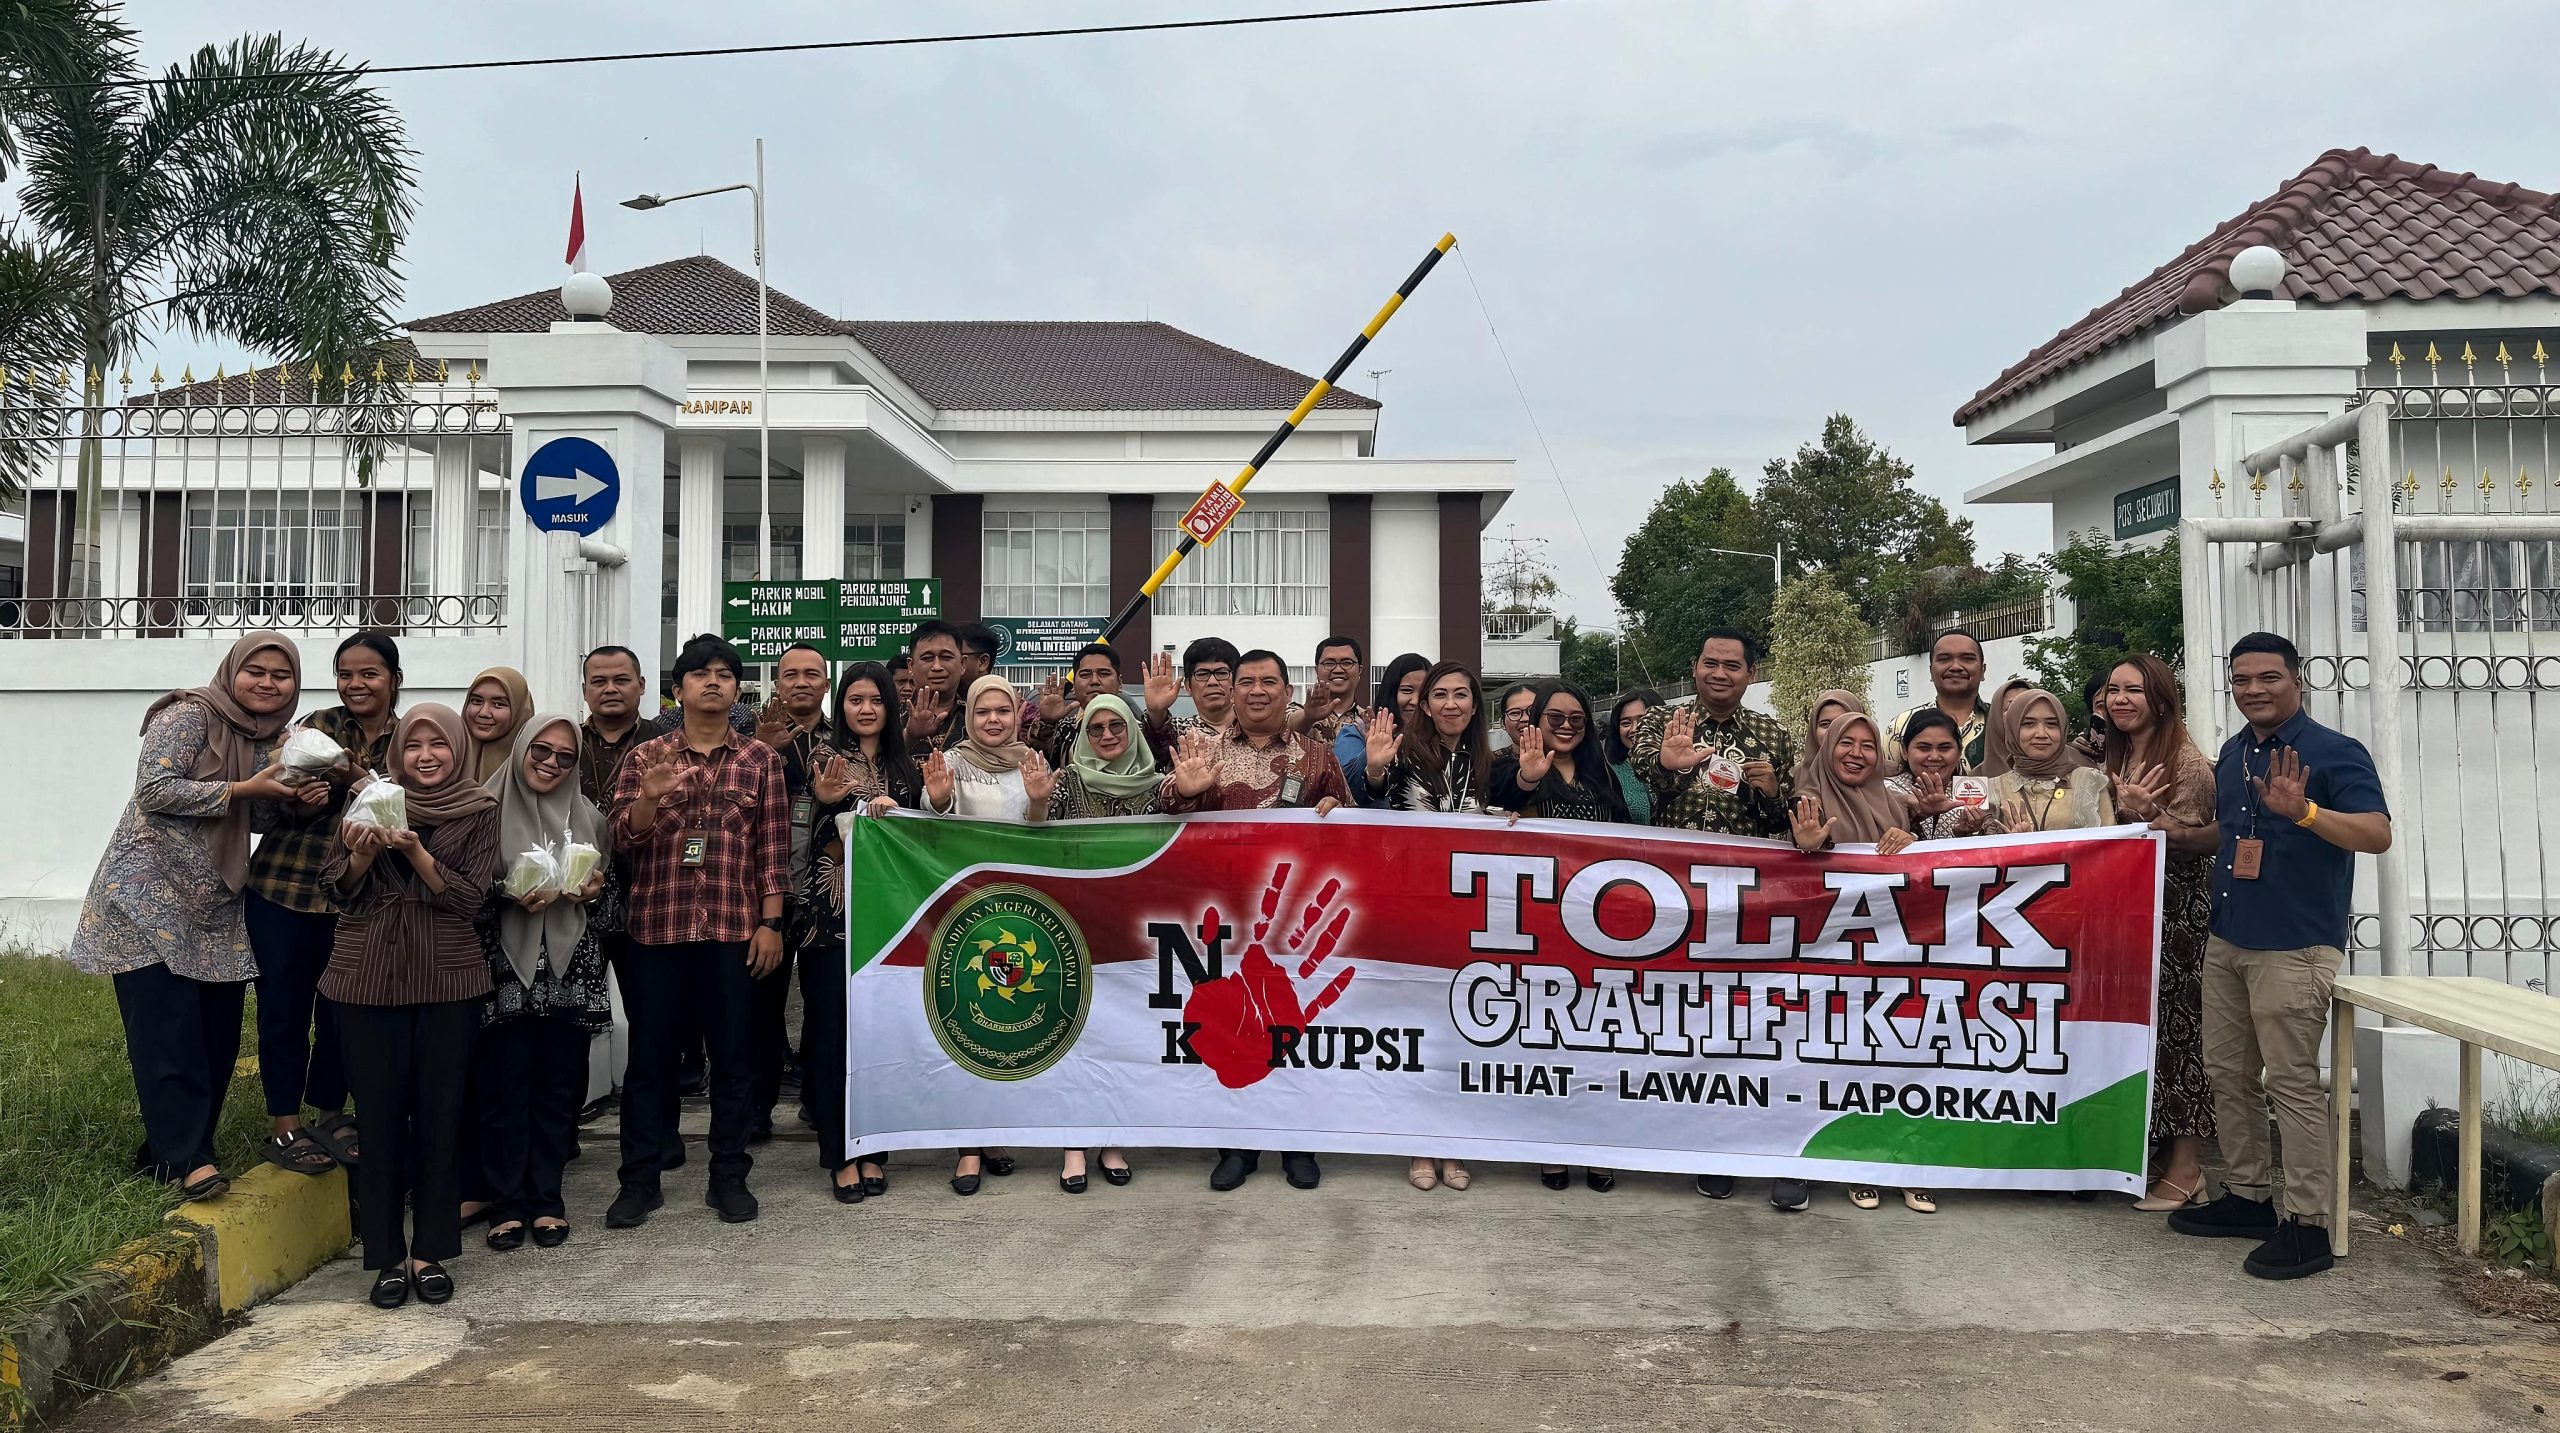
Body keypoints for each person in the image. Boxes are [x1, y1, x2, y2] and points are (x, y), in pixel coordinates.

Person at [2169, 633, 2390, 1280]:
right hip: (2230, 936)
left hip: (2294, 945)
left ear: (2297, 679)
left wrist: (2308, 812)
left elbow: (2376, 833)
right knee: (2227, 1072)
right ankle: (2247, 1196)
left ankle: (2308, 1225)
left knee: (2290, 1083)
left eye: (2268, 677)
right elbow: (2235, 833)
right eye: (2241, 679)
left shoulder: (2334, 751)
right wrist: (2175, 834)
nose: (2254, 689)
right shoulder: (2235, 752)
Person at [70, 632, 308, 1202]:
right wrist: (244, 788)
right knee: (167, 1031)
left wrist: (294, 798)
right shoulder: (188, 714)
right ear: (233, 670)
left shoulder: (271, 740)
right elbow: (154, 789)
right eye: (256, 670)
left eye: (281, 675)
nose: (267, 683)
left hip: (215, 903)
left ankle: (166, 1153)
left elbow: (256, 820)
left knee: (215, 1035)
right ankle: (190, 1159)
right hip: (146, 894)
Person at [606, 635, 791, 1230]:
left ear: (738, 689)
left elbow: (771, 851)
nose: (713, 681)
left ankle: (728, 1176)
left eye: (725, 674)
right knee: (649, 1063)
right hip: (657, 929)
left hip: (733, 929)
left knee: (733, 1060)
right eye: (700, 673)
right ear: (677, 688)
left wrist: (770, 923)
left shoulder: (760, 760)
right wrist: (648, 800)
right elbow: (622, 840)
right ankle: (639, 1182)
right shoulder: (647, 756)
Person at [322, 703, 502, 1308]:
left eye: (439, 744)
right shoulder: (368, 798)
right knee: (377, 1122)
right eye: (415, 745)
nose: (427, 756)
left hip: (446, 979)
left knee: (439, 1117)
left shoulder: (479, 808)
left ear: (458, 749)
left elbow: (472, 900)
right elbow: (336, 889)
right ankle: (386, 1257)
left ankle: (430, 1251)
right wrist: (362, 855)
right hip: (367, 977)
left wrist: (416, 850)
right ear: (398, 751)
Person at [1160, 648, 1348, 1193]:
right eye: (1247, 681)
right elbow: (1163, 808)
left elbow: (1354, 826)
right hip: (1222, 913)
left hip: (1292, 917)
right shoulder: (1205, 749)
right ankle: (1237, 1147)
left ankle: (1298, 1144)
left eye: (1269, 681)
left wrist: (1338, 809)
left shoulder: (1317, 754)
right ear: (1233, 691)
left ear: (1287, 692)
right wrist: (1183, 791)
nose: (1257, 690)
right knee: (1233, 1030)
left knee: (1290, 1028)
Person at [1631, 628, 1800, 1208]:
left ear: (1751, 674)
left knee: (1746, 1026)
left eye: (1732, 665)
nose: (1720, 673)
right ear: (1695, 666)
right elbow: (1645, 771)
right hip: (1674, 902)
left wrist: (1771, 794)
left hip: (1744, 907)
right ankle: (1702, 1144)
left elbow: (1784, 823)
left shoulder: (1772, 735)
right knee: (1683, 1023)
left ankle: (1753, 1144)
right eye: (1710, 662)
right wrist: (1669, 764)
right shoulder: (1665, 721)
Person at [241, 630, 402, 1177]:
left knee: (341, 1011)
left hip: (357, 899)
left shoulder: (410, 738)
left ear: (394, 680)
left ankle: (331, 1113)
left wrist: (355, 779)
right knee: (282, 1008)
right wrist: (304, 802)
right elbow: (275, 805)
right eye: (345, 674)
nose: (356, 684)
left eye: (369, 674)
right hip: (283, 889)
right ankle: (285, 1121)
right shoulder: (318, 726)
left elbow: (401, 811)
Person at [1787, 709, 1935, 1214]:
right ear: (1827, 748)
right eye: (1844, 743)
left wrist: (1911, 842)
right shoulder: (1805, 796)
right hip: (1825, 956)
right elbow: (1785, 864)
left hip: (1889, 954)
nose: (1856, 753)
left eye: (1867, 744)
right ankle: (1854, 1162)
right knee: (1835, 1062)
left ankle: (1903, 1163)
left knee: (1892, 1058)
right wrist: (1808, 848)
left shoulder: (1894, 802)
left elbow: (1923, 872)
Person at [474, 716, 610, 1252]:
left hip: (568, 967)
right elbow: (458, 892)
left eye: (564, 757)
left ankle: (547, 1198)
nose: (551, 763)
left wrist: (593, 891)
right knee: (503, 1089)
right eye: (541, 751)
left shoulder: (590, 818)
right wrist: (504, 894)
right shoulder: (482, 809)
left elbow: (609, 901)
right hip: (501, 966)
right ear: (521, 749)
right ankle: (506, 1203)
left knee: (558, 1087)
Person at [2093, 654, 2221, 1211]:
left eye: (2134, 690)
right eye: (2113, 690)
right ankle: (2157, 1158)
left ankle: (2188, 1169)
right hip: (2137, 910)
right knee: (2145, 1034)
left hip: (2180, 913)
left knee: (2180, 1034)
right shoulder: (2118, 753)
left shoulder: (2185, 763)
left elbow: (2195, 841)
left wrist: (2148, 818)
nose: (2120, 700)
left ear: (2161, 699)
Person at [1493, 679, 1631, 1193]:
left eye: (1577, 718)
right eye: (1556, 718)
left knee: (1598, 1046)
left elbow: (1631, 839)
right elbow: (1496, 807)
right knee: (1547, 1045)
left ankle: (1598, 1146)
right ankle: (1551, 1148)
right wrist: (1527, 781)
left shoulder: (1603, 774)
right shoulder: (1508, 768)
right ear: (1537, 721)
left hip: (1601, 933)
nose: (1567, 727)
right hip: (1541, 931)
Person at [920, 674, 1055, 1194]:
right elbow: (930, 829)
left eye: (1002, 711)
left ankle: (996, 1133)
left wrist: (1040, 803)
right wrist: (937, 801)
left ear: (1017, 714)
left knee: (1009, 1028)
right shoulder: (952, 762)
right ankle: (968, 1147)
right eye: (982, 712)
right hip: (964, 915)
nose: (993, 720)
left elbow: (1041, 838)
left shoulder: (1032, 762)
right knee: (967, 1027)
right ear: (970, 716)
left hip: (1020, 913)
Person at [803, 662, 923, 1203]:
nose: (867, 709)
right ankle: (840, 1155)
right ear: (842, 706)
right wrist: (845, 804)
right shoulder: (824, 758)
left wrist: (931, 804)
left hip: (890, 924)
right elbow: (820, 819)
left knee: (878, 1039)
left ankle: (874, 1148)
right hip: (831, 923)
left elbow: (924, 836)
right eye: (856, 699)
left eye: (876, 700)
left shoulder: (906, 766)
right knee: (832, 1039)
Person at [745, 642, 835, 1144]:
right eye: (790, 674)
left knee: (822, 1004)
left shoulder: (841, 740)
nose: (801, 682)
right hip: (766, 888)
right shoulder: (750, 740)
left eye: (811, 674)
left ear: (826, 683)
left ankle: (818, 1101)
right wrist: (767, 749)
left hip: (824, 890)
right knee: (761, 1004)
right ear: (777, 684)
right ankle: (757, 1108)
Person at [1359, 660, 1491, 815]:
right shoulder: (1403, 749)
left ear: (1474, 706)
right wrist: (1375, 770)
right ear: (1426, 707)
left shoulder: (1487, 760)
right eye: (1440, 695)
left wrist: (1511, 814)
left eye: (1460, 695)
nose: (1450, 704)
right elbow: (1377, 790)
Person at [1981, 689, 2114, 834]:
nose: (2041, 734)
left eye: (2051, 724)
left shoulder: (2089, 782)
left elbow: (2112, 842)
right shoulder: (1992, 790)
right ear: (2012, 729)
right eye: (2028, 724)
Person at [1883, 629, 1990, 771]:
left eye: (1967, 659)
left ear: (1982, 670)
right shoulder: (1901, 725)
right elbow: (1886, 779)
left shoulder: (2002, 722)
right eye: (1944, 659)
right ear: (1931, 671)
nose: (1956, 667)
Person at [1339, 652, 1431, 807]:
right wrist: (1369, 754)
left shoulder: (1439, 738)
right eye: (1407, 691)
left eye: (1424, 693)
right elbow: (1343, 786)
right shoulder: (1356, 732)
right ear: (1390, 692)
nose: (1415, 701)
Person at [1885, 709, 1991, 842]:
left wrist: (1963, 834)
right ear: (1905, 751)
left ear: (1959, 752)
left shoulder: (1974, 794)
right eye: (1923, 748)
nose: (1934, 757)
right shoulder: (1886, 792)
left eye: (1944, 748)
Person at [577, 646, 650, 809]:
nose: (610, 689)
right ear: (585, 691)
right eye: (599, 682)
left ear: (641, 685)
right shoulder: (568, 742)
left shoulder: (667, 743)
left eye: (621, 680)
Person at [901, 619, 969, 748]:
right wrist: (909, 737)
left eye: (946, 657)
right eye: (927, 658)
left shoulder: (978, 715)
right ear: (910, 666)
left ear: (963, 664)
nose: (937, 667)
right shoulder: (890, 715)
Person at [1788, 687, 1868, 792]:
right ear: (1814, 729)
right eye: (1825, 724)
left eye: (1843, 723)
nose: (1833, 730)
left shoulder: (1881, 779)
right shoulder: (1793, 781)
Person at [461, 666, 533, 783]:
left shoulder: (537, 765)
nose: (483, 713)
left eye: (498, 704)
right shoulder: (445, 759)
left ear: (519, 711)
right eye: (477, 701)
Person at [1293, 634, 1368, 742]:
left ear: (1360, 670)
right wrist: (1307, 718)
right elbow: (1287, 727)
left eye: (1347, 663)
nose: (1338, 670)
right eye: (1329, 663)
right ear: (1317, 670)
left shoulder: (1369, 721)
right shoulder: (1297, 713)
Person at [1603, 689, 1659, 826]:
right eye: (1626, 723)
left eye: (1643, 720)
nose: (1634, 729)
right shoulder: (1607, 772)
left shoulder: (1685, 767)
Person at [1174, 636, 1241, 739]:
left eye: (1221, 673)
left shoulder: (1257, 729)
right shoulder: (1178, 733)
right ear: (1188, 685)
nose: (1212, 682)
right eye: (1202, 674)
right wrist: (1156, 712)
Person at [1972, 675, 2036, 779]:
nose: (2021, 715)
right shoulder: (1976, 780)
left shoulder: (2061, 771)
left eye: (2027, 707)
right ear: (1996, 718)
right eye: (2011, 707)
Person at [1496, 682, 1537, 752]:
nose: (1525, 718)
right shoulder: (1488, 758)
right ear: (1502, 722)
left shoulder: (1557, 756)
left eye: (1532, 711)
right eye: (1515, 713)